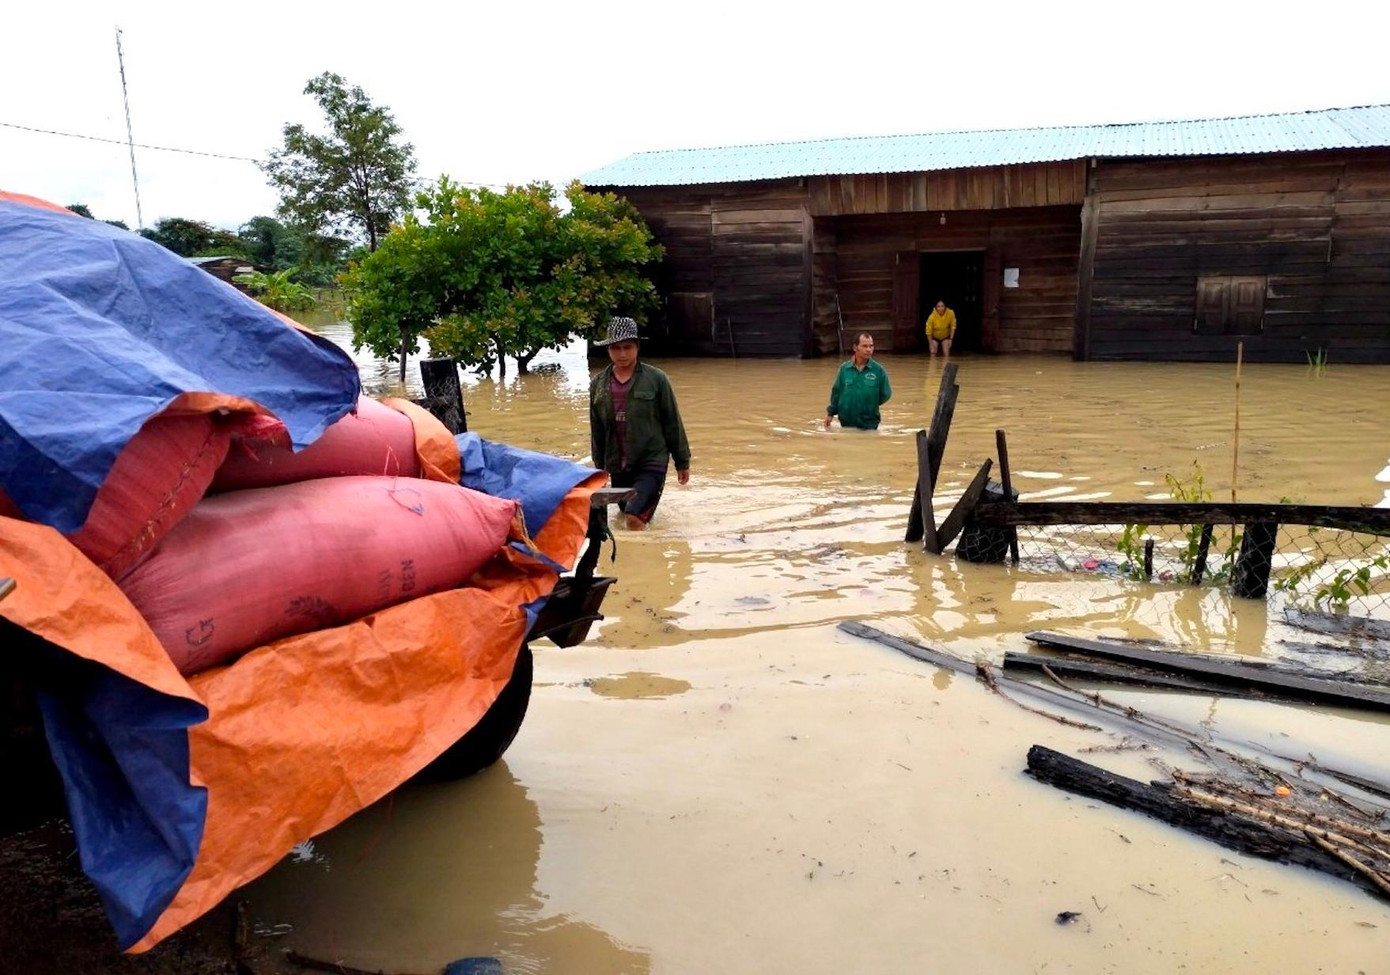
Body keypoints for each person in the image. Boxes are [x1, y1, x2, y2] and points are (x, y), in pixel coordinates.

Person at [590, 317, 691, 530]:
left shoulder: (657, 379)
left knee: (633, 519)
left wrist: (682, 461)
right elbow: (597, 430)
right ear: (609, 350)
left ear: (637, 347)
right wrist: (599, 470)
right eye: (616, 348)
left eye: (628, 347)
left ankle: (645, 555)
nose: (622, 354)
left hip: (651, 460)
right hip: (618, 464)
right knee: (627, 512)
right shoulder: (598, 385)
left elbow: (672, 421)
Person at [824, 332, 892, 430]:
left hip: (870, 424)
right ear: (855, 348)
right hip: (846, 422)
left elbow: (886, 394)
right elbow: (836, 392)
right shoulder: (844, 369)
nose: (869, 350)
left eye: (871, 346)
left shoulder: (879, 371)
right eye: (864, 346)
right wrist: (830, 414)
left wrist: (869, 403)